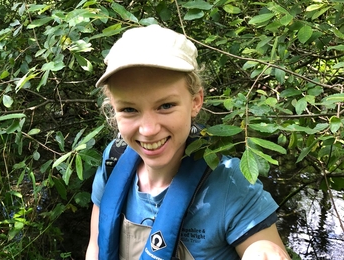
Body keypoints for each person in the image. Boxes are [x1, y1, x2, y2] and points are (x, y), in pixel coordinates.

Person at [86, 24, 291, 260]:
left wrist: (263, 251)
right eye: (129, 109)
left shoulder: (230, 182)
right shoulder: (114, 159)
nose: (149, 130)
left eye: (166, 106)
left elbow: (262, 246)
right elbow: (96, 247)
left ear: (195, 101)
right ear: (114, 109)